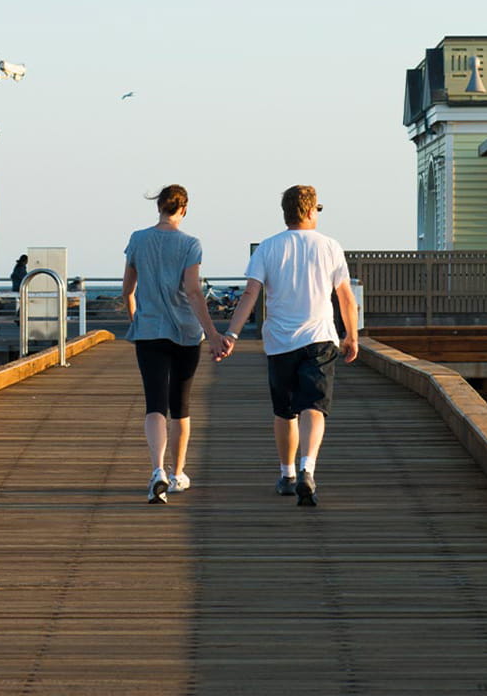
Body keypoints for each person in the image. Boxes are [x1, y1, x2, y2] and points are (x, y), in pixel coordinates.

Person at [216, 185, 358, 507]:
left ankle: (288, 474)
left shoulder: (267, 248)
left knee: (285, 411)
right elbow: (345, 296)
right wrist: (352, 336)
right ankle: (309, 468)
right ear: (309, 211)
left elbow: (250, 294)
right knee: (314, 407)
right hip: (320, 337)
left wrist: (232, 335)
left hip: (280, 341)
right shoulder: (330, 246)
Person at [122, 185, 233, 504]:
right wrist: (212, 334)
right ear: (184, 209)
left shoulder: (138, 239)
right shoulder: (190, 244)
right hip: (185, 332)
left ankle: (156, 470)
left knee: (154, 403)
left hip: (148, 331)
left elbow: (127, 290)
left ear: (158, 207)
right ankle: (177, 474)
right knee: (180, 404)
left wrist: (136, 320)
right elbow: (194, 292)